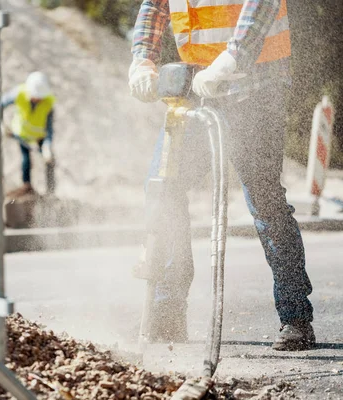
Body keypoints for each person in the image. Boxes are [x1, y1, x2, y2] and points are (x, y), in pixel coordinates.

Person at [129, 0, 315, 351]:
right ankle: (168, 311)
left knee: (263, 199)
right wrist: (142, 59)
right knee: (163, 189)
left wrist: (233, 57)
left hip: (255, 83)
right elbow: (154, 7)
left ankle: (296, 317)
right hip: (197, 84)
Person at [1, 71, 56, 196]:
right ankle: (27, 186)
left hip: (39, 137)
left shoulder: (48, 103)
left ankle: (51, 192)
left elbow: (49, 128)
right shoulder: (18, 93)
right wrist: (1, 124)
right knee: (26, 159)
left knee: (49, 161)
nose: (38, 99)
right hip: (22, 134)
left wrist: (47, 146)